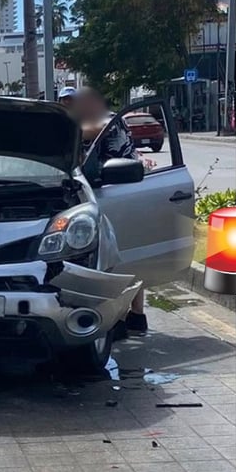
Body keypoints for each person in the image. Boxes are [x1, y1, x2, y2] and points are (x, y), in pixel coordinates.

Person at [72, 87, 148, 338]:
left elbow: (88, 132)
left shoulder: (107, 121)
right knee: (127, 256)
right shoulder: (96, 121)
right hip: (119, 190)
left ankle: (121, 318)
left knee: (114, 259)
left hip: (118, 191)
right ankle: (135, 316)